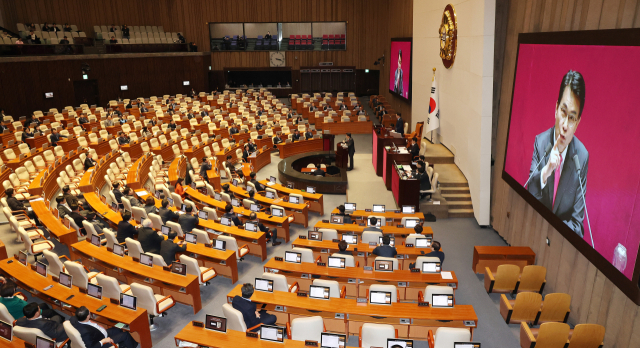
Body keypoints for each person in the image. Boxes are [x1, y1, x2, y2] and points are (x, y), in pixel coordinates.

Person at [527, 70, 588, 238]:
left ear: (577, 123)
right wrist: (545, 172)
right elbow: (527, 197)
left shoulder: (581, 158)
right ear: (556, 109)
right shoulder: (541, 143)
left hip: (559, 243)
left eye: (572, 118)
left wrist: (551, 232)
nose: (565, 125)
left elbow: (578, 225)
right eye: (563, 111)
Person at [70, 306, 137, 348]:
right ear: (87, 316)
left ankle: (123, 344)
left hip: (100, 334)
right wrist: (104, 341)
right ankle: (134, 346)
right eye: (89, 313)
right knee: (125, 335)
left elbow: (71, 319)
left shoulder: (74, 319)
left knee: (118, 330)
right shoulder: (85, 333)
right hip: (101, 342)